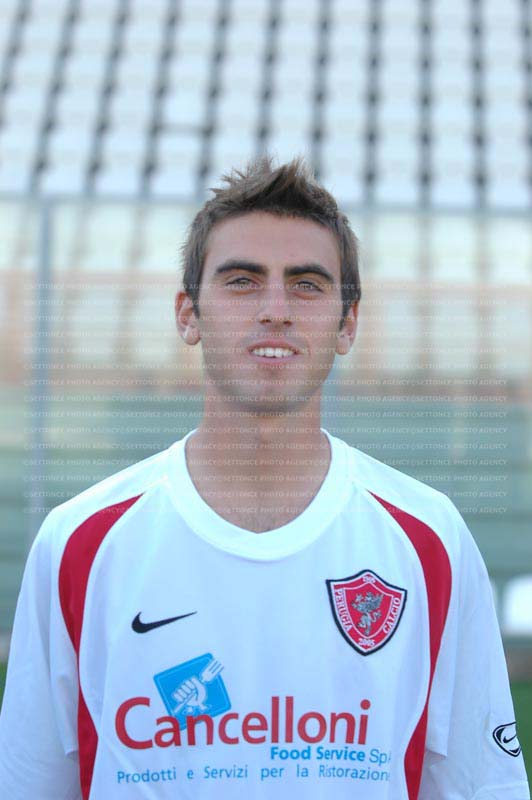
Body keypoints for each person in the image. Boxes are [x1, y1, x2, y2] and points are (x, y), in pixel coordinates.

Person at [0, 157, 529, 800]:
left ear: (347, 323)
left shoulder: (429, 539)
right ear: (188, 315)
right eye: (242, 281)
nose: (275, 310)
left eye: (306, 284)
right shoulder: (79, 544)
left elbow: (483, 787)